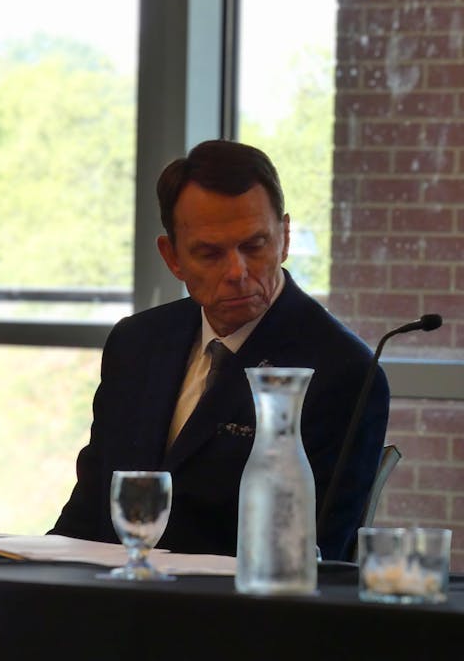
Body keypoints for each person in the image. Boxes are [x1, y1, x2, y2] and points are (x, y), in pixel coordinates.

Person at [50, 139, 389, 560]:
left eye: (254, 245)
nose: (237, 272)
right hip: (115, 593)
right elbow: (88, 516)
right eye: (210, 253)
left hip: (238, 601)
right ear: (172, 257)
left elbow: (317, 554)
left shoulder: (341, 370)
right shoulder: (137, 343)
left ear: (285, 238)